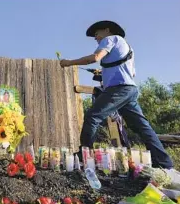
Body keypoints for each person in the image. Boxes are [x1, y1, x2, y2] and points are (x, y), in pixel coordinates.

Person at [59, 20, 173, 169]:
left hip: (119, 89)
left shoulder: (110, 39)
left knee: (93, 116)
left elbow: (94, 58)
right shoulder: (127, 47)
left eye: (97, 34)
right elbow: (128, 72)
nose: (96, 38)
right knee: (142, 126)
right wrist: (102, 73)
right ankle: (164, 163)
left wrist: (68, 62)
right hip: (130, 90)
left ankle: (84, 156)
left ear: (107, 30)